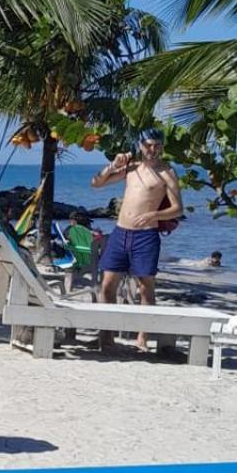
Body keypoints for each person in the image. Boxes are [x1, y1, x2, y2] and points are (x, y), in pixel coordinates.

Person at [90, 129, 183, 349]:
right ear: (140, 145)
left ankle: (142, 338)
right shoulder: (131, 168)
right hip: (121, 233)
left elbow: (177, 208)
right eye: (149, 145)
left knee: (145, 287)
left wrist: (155, 215)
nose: (153, 149)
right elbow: (96, 183)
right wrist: (112, 166)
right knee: (107, 286)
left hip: (146, 236)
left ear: (162, 147)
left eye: (157, 145)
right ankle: (106, 336)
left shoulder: (167, 172)